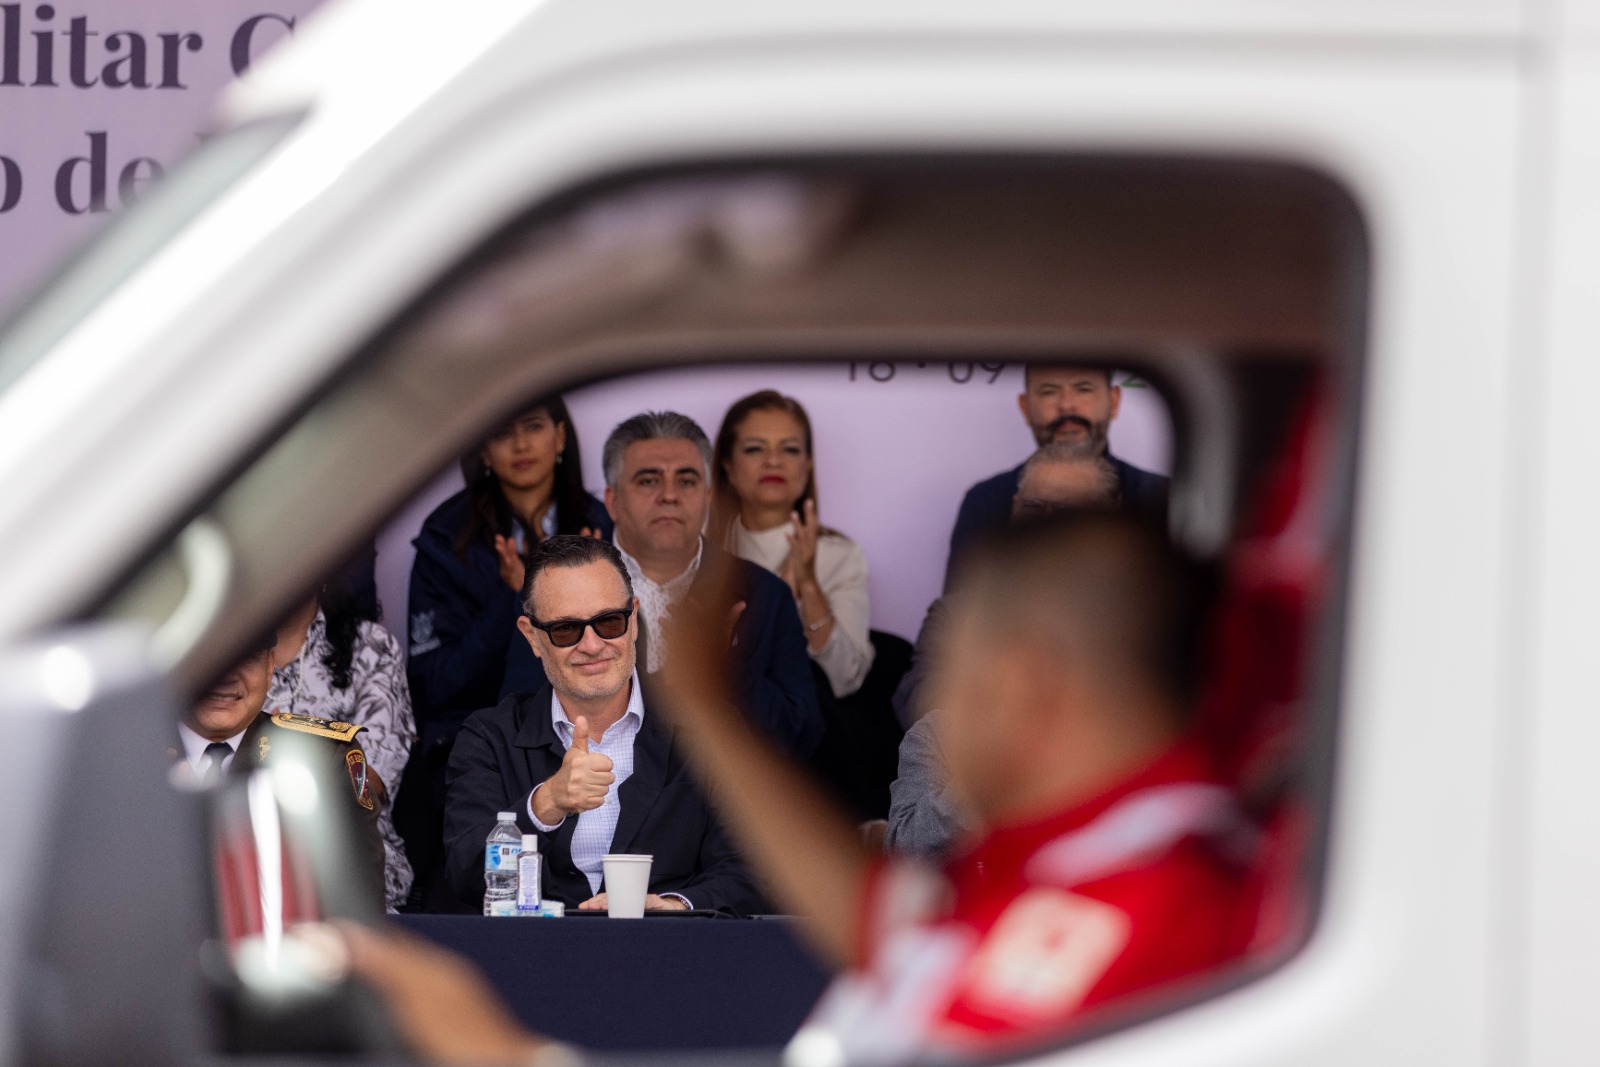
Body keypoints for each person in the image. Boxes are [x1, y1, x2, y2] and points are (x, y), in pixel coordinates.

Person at [336, 513, 1252, 1064]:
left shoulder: (1130, 923)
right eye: (566, 628)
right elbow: (882, 922)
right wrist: (704, 710)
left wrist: (506, 1054)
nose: (928, 697)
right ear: (533, 640)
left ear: (1027, 684)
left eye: (951, 665)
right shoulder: (1069, 856)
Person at [443, 535, 761, 914]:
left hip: (670, 957)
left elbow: (753, 869)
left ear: (634, 620)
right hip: (532, 961)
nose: (592, 645)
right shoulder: (489, 737)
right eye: (566, 629)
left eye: (609, 622)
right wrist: (545, 805)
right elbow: (464, 872)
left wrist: (675, 907)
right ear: (532, 637)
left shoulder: (711, 729)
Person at [500, 410, 821, 759]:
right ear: (612, 501)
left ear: (708, 497)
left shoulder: (764, 594)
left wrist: (729, 671)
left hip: (719, 804)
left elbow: (801, 739)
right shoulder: (555, 587)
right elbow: (520, 726)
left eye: (686, 481)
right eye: (648, 481)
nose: (669, 495)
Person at [402, 397, 611, 905]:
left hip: (591, 735)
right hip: (475, 751)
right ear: (483, 450)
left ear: (560, 438)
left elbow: (620, 647)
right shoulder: (445, 536)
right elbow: (434, 682)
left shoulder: (599, 520)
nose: (520, 444)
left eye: (534, 427)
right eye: (502, 431)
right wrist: (513, 600)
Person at [885, 446, 1121, 859]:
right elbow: (904, 847)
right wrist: (991, 762)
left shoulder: (1144, 700)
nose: (1048, 523)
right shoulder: (937, 732)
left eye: (1069, 511)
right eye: (1036, 505)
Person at [176, 641, 387, 902]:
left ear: (269, 668)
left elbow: (359, 902)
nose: (225, 675)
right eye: (205, 654)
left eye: (246, 656)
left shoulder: (324, 758)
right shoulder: (123, 756)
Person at [270, 562, 417, 911]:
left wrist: (282, 740)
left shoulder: (371, 648)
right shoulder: (222, 649)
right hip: (239, 836)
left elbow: (369, 782)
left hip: (349, 847)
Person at [944, 362, 1168, 588]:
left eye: (1083, 389)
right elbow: (959, 613)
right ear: (1025, 408)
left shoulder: (1162, 498)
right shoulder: (986, 502)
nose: (1067, 406)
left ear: (1114, 401)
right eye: (1049, 392)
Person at [712, 390, 875, 699]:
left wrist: (809, 586)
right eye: (754, 448)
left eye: (789, 449)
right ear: (728, 466)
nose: (773, 461)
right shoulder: (700, 554)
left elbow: (846, 679)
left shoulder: (840, 557)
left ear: (808, 465)